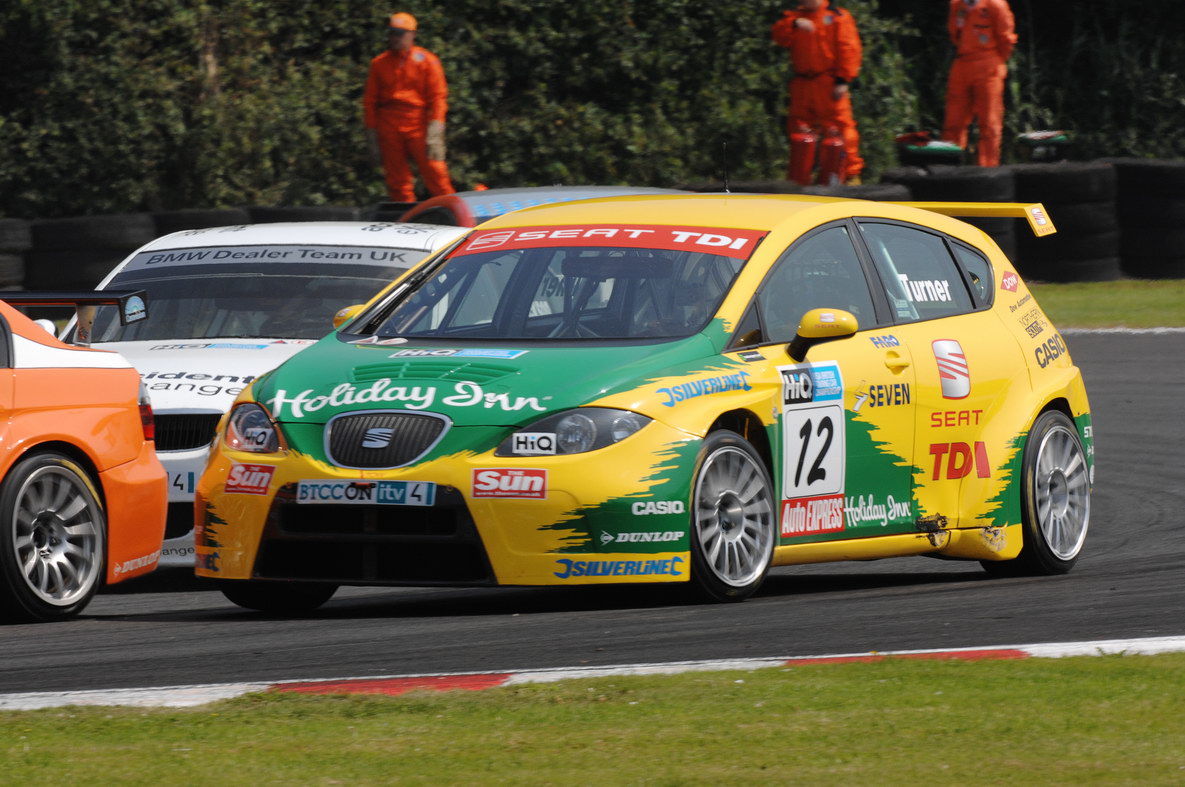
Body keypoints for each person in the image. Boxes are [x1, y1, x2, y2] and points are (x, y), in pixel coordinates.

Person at [363, 12, 455, 202]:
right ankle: (406, 215)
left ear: (412, 34)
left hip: (418, 124)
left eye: (400, 33)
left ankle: (451, 210)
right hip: (388, 124)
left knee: (436, 172)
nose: (395, 38)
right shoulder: (379, 63)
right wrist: (371, 133)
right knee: (397, 181)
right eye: (392, 33)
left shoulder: (427, 61)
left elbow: (438, 97)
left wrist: (436, 129)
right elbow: (370, 101)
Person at [771, 1, 865, 185]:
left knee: (839, 129)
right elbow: (779, 37)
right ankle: (800, 179)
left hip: (828, 82)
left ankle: (849, 175)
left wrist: (842, 80)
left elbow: (849, 48)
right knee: (799, 130)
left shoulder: (837, 16)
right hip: (802, 83)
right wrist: (794, 24)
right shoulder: (794, 17)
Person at [941, 0, 1017, 167]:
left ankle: (987, 168)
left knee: (989, 123)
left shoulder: (995, 5)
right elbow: (955, 35)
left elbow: (1006, 41)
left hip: (988, 65)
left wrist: (993, 63)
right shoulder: (956, 5)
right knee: (953, 122)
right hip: (962, 63)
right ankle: (948, 167)